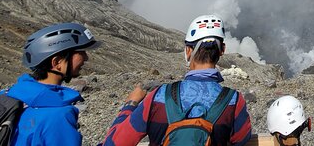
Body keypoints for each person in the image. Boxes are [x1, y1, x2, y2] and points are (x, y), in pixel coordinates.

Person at [99, 14, 252, 146]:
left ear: (188, 51)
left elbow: (115, 142)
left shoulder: (158, 97)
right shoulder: (234, 101)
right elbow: (241, 140)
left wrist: (130, 104)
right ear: (222, 50)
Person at [5, 22, 101, 146]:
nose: (86, 58)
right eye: (81, 52)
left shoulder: (9, 96)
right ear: (57, 62)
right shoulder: (57, 117)